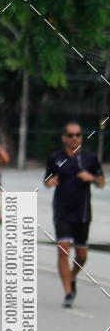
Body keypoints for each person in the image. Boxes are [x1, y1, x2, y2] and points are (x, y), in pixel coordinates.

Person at [44, 122, 105, 308]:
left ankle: (71, 277)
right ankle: (68, 293)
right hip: (62, 211)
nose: (74, 138)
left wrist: (92, 178)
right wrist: (50, 181)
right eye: (70, 135)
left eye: (77, 135)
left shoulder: (90, 159)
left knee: (82, 255)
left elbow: (101, 182)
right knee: (63, 249)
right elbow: (46, 179)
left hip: (82, 213)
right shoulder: (56, 158)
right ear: (64, 137)